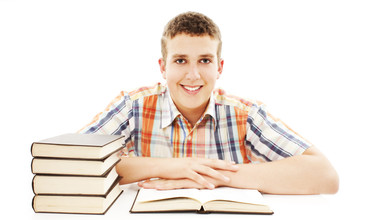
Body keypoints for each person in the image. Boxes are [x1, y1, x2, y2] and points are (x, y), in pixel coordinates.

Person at [79, 11, 339, 194]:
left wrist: (207, 175)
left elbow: (325, 175)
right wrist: (173, 168)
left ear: (219, 67)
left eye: (204, 60)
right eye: (180, 60)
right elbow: (70, 160)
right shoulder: (132, 107)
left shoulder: (245, 115)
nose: (193, 75)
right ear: (163, 67)